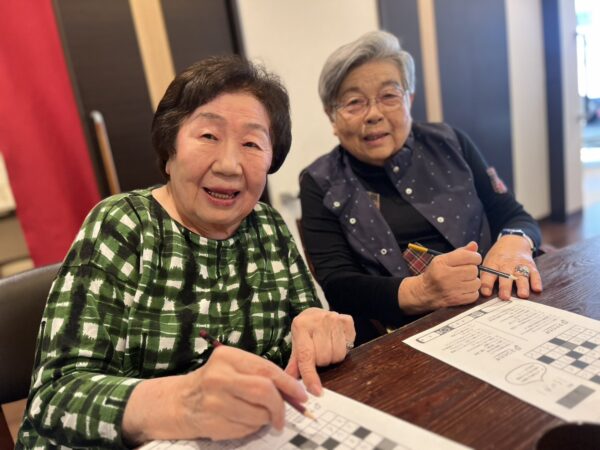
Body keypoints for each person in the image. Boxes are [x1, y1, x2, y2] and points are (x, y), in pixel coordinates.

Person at [17, 55, 355, 449]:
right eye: (209, 136)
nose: (229, 165)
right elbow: (53, 398)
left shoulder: (268, 226)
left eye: (251, 143)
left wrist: (320, 329)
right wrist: (183, 402)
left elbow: (305, 332)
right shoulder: (124, 224)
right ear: (170, 149)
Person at [299, 31, 542, 345]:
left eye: (389, 95)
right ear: (332, 118)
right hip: (401, 337)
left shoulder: (451, 142)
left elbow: (513, 215)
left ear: (409, 99)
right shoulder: (320, 182)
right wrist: (421, 291)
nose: (374, 115)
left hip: (498, 304)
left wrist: (514, 242)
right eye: (354, 102)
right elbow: (338, 284)